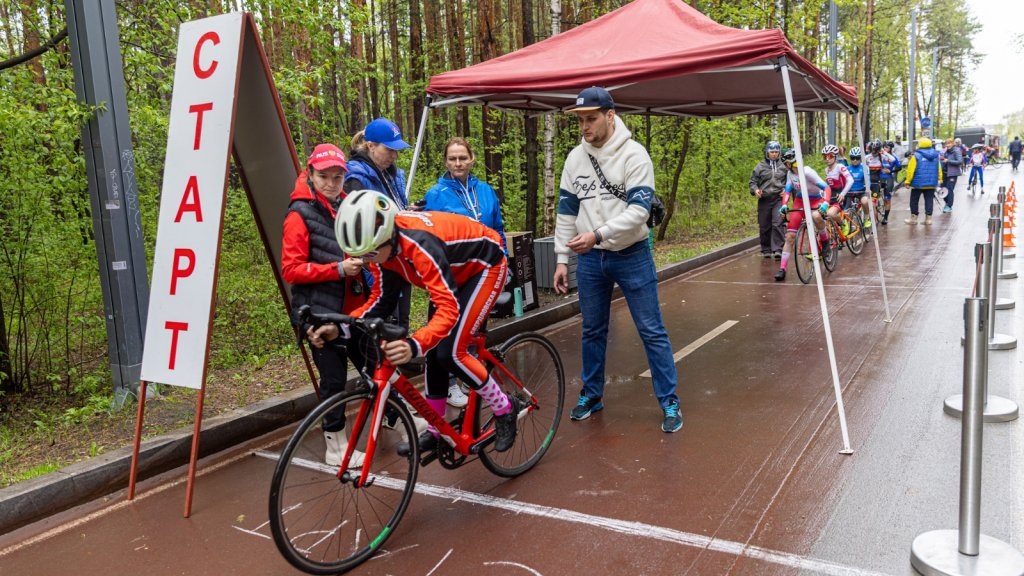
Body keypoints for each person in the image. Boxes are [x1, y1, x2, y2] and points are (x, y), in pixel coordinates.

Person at [312, 189, 520, 453]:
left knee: (451, 352)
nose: (366, 262)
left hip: (485, 267)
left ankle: (505, 407)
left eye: (369, 254)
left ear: (387, 235)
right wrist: (341, 327)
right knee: (435, 351)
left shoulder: (420, 245)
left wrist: (413, 345)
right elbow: (380, 300)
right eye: (361, 255)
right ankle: (436, 429)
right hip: (451, 272)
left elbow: (449, 307)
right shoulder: (379, 250)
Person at [552, 86, 682, 433]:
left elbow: (639, 212)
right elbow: (566, 210)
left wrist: (598, 233)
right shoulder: (574, 158)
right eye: (580, 120)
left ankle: (669, 401)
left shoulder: (635, 155)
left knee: (651, 330)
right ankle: (592, 395)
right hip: (591, 259)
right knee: (592, 330)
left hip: (631, 254)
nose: (584, 126)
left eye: (591, 118)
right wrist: (562, 257)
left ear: (610, 116)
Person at [281, 144, 370, 468]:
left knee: (373, 364)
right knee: (333, 380)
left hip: (353, 306)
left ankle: (395, 417)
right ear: (311, 174)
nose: (332, 183)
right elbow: (291, 269)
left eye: (337, 177)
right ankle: (336, 445)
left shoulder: (345, 203)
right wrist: (337, 269)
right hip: (320, 311)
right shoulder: (298, 214)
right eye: (324, 177)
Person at [422, 137, 508, 408]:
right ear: (445, 161)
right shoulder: (436, 194)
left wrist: (503, 259)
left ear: (472, 159)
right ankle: (446, 387)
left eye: (462, 158)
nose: (458, 163)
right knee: (441, 337)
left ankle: (468, 381)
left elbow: (498, 228)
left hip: (483, 273)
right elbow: (428, 238)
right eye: (452, 158)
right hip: (450, 276)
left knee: (471, 334)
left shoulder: (485, 190)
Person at [344, 117, 413, 329]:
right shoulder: (355, 176)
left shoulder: (392, 175)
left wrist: (409, 213)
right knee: (385, 325)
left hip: (400, 257)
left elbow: (396, 208)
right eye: (389, 149)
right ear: (371, 146)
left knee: (402, 322)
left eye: (397, 150)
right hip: (378, 263)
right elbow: (358, 226)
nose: (394, 155)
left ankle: (402, 359)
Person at [774, 148, 831, 282]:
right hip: (800, 201)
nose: (792, 166)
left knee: (816, 217)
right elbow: (787, 190)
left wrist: (826, 203)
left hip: (816, 199)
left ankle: (825, 241)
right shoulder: (790, 174)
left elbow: (826, 188)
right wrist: (784, 204)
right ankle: (782, 269)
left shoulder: (808, 172)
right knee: (790, 236)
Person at [748, 141, 788, 258]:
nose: (774, 154)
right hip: (764, 199)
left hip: (778, 199)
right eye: (772, 152)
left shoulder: (784, 166)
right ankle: (766, 249)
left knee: (777, 223)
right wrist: (755, 190)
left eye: (776, 152)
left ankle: (778, 249)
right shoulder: (760, 166)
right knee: (764, 225)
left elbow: (789, 180)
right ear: (767, 152)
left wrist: (786, 190)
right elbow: (752, 182)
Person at [903, 137, 943, 225]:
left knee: (914, 200)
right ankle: (928, 219)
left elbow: (910, 170)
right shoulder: (936, 155)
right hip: (931, 183)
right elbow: (939, 168)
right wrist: (940, 179)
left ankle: (914, 219)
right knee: (929, 200)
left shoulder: (916, 156)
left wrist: (907, 181)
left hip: (918, 183)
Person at [821, 144, 853, 228]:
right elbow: (827, 185)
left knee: (830, 214)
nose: (827, 159)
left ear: (835, 157)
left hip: (841, 196)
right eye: (825, 157)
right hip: (831, 197)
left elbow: (850, 180)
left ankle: (843, 224)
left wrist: (843, 194)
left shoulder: (840, 167)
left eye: (830, 156)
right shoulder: (826, 169)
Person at [844, 147, 872, 227]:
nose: (855, 160)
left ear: (861, 158)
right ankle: (845, 225)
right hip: (850, 192)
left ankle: (867, 218)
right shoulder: (847, 168)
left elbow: (868, 180)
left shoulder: (864, 168)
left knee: (864, 201)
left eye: (857, 158)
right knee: (846, 210)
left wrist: (868, 188)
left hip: (861, 191)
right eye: (853, 158)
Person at [940, 137, 963, 213]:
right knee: (943, 190)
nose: (948, 145)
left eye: (949, 143)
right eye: (947, 143)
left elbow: (960, 161)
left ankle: (949, 206)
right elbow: (944, 161)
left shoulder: (956, 150)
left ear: (953, 143)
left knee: (949, 189)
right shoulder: (946, 151)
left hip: (952, 173)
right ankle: (947, 203)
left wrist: (948, 161)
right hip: (944, 173)